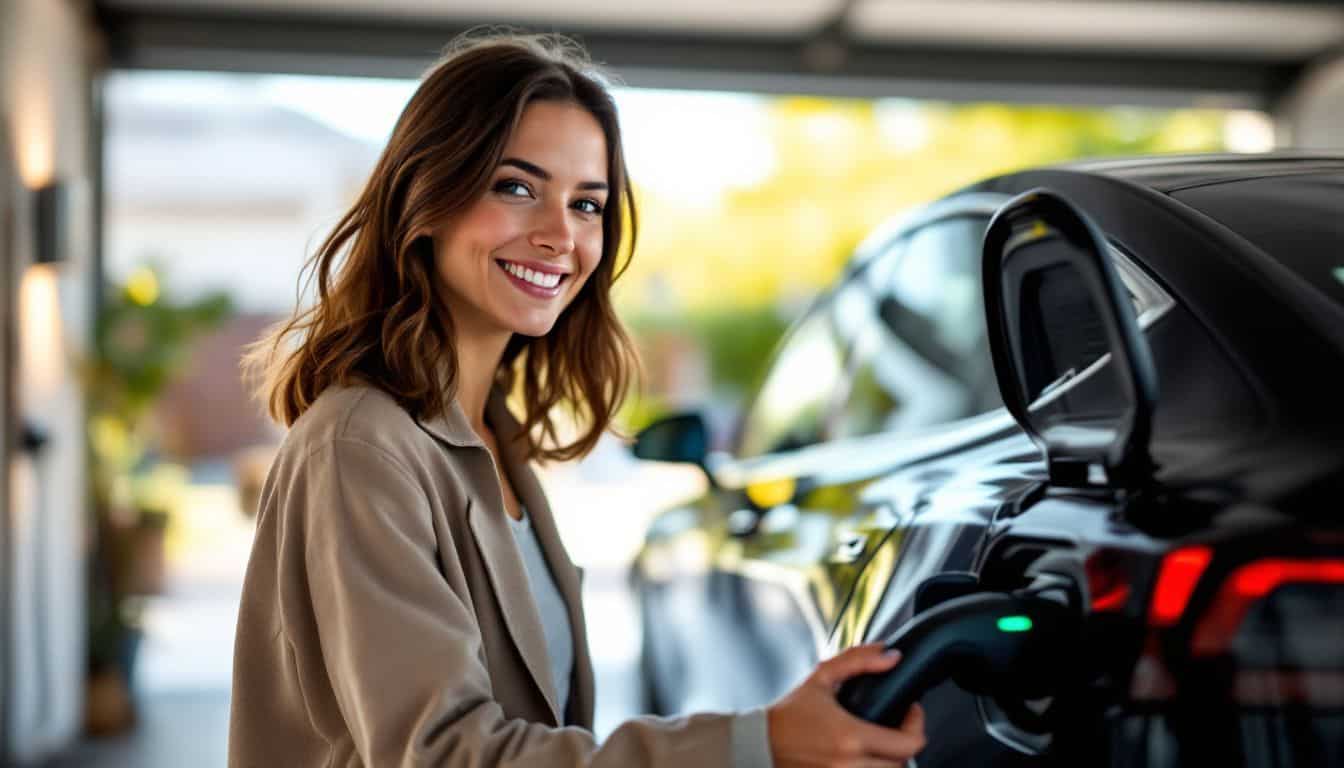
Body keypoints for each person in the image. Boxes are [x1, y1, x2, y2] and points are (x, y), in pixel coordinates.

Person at [229, 32, 926, 768]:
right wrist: (757, 743)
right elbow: (445, 755)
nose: (561, 234)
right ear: (425, 199)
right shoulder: (360, 445)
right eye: (517, 187)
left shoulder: (497, 440)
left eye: (587, 203)